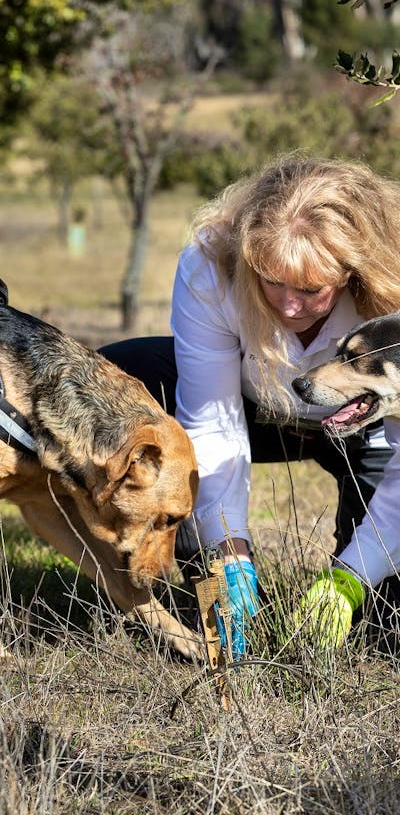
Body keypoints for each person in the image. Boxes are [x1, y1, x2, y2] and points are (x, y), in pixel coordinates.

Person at [100, 154, 400, 655]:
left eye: (310, 289)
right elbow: (212, 423)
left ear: (353, 273)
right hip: (250, 406)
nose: (287, 305)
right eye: (271, 280)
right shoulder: (209, 267)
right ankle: (205, 589)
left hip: (359, 424)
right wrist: (229, 552)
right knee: (130, 371)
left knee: (386, 616)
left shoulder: (392, 288)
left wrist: (352, 575)